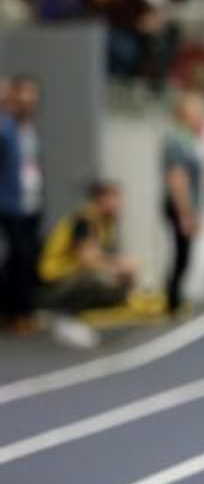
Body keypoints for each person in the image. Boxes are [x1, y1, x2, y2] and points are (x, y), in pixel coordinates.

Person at [37, 180, 137, 349]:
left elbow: (97, 254)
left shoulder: (105, 222)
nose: (119, 203)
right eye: (114, 197)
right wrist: (117, 267)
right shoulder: (84, 220)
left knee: (119, 283)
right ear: (101, 198)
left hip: (71, 275)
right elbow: (86, 258)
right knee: (97, 277)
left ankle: (73, 315)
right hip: (53, 280)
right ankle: (62, 315)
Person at [0, 76, 43, 334]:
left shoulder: (30, 128)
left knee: (26, 258)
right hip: (11, 203)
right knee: (19, 257)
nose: (30, 101)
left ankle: (21, 310)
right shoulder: (6, 128)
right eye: (23, 95)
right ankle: (16, 311)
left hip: (32, 201)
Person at [162, 91, 204, 316]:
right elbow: (177, 180)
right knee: (181, 254)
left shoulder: (189, 139)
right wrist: (186, 214)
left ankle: (175, 297)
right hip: (179, 205)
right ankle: (172, 300)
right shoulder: (176, 141)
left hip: (188, 204)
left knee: (185, 254)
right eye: (198, 112)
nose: (201, 117)